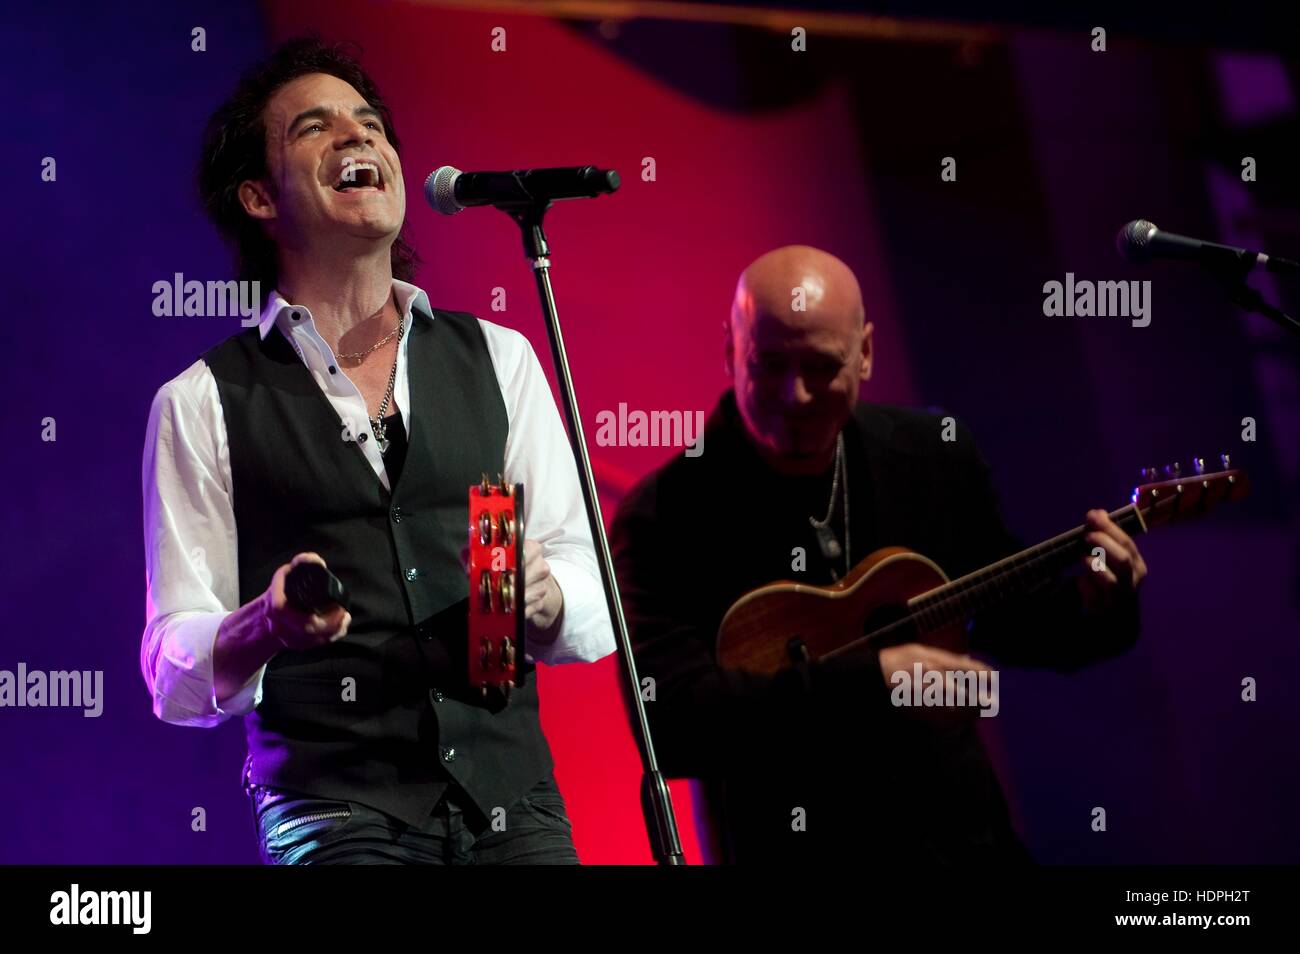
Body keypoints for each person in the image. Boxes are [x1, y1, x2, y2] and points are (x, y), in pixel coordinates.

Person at [140, 37, 614, 864]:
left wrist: (543, 596)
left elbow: (587, 584)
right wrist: (267, 624)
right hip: (337, 812)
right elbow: (171, 667)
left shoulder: (499, 359)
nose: (358, 139)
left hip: (514, 802)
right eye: (315, 128)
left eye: (369, 124)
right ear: (258, 196)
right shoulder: (201, 401)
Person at [610, 244, 1147, 864]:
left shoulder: (932, 457)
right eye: (769, 364)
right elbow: (672, 725)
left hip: (957, 838)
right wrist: (879, 681)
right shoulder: (666, 515)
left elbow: (1019, 625)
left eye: (821, 365)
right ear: (731, 350)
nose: (797, 394)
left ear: (865, 353)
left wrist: (1098, 602)